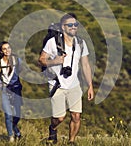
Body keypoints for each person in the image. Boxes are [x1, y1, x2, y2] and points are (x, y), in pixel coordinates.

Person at [39, 13, 94, 145]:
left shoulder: (81, 43)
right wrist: (55, 61)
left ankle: (71, 141)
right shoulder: (53, 42)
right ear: (63, 27)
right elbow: (41, 60)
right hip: (57, 84)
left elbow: (85, 65)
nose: (74, 27)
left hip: (74, 85)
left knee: (76, 116)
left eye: (76, 24)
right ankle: (52, 128)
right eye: (70, 25)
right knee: (60, 117)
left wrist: (90, 85)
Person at [0, 41, 23, 143]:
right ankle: (11, 136)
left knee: (17, 115)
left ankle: (16, 130)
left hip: (16, 89)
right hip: (5, 90)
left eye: (8, 48)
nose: (7, 50)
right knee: (8, 114)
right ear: (1, 51)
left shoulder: (17, 60)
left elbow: (20, 71)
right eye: (4, 49)